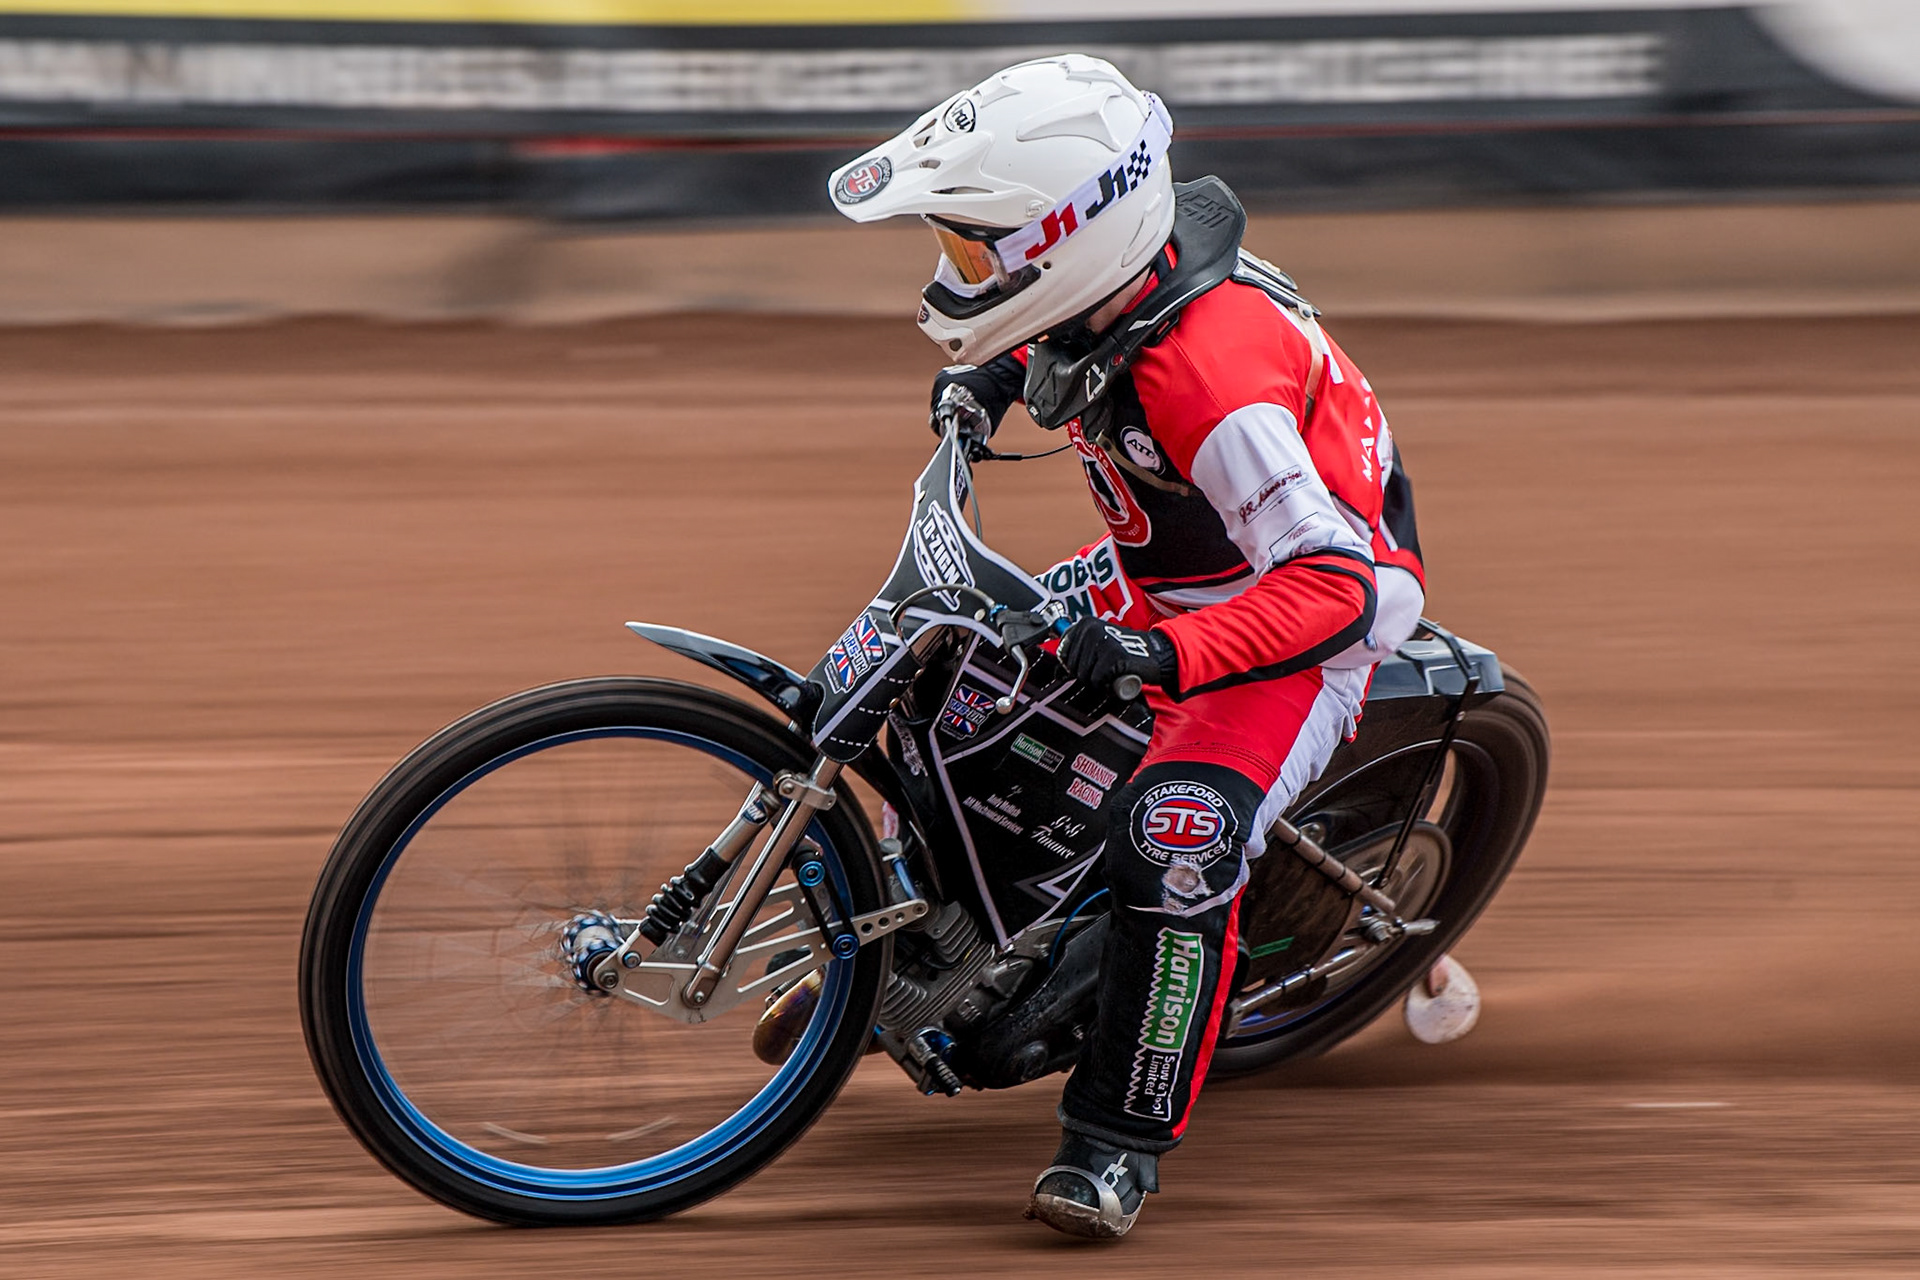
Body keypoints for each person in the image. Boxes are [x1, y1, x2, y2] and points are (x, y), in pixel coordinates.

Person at [828, 54, 1427, 1239]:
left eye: (976, 255)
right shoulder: (1115, 280)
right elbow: (1055, 334)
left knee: (1172, 837)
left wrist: (1163, 659)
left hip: (1288, 613)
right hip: (1167, 568)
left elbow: (1335, 587)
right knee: (934, 662)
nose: (959, 273)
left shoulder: (1212, 381)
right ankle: (888, 944)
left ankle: (1115, 1141)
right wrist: (987, 382)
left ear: (1068, 238)